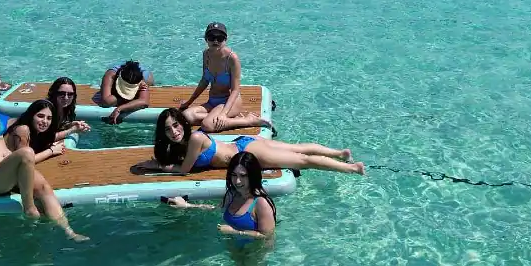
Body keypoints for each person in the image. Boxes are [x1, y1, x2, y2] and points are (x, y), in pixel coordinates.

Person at [0, 68, 88, 242]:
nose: (0, 93)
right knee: (26, 152)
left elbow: (28, 119)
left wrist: (69, 127)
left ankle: (69, 232)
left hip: (12, 169)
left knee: (44, 188)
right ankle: (29, 208)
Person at [134, 108, 365, 178]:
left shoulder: (194, 137)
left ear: (183, 124)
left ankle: (351, 167)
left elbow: (184, 171)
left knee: (302, 159)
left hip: (247, 151)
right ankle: (339, 153)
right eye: (168, 129)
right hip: (244, 144)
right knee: (299, 148)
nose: (174, 132)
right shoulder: (180, 143)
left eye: (176, 126)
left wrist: (158, 168)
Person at [179, 23, 272, 134]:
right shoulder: (206, 54)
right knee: (186, 116)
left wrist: (223, 113)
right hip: (212, 101)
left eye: (220, 38)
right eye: (212, 37)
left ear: (225, 39)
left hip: (229, 102)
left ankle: (248, 120)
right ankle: (216, 117)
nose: (216, 41)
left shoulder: (232, 59)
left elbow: (235, 90)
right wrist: (189, 102)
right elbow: (204, 80)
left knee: (207, 125)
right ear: (206, 39)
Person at [166, 151, 277, 240]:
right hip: (234, 249)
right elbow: (216, 209)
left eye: (243, 176)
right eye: (234, 175)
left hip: (254, 255)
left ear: (252, 176)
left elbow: (267, 236)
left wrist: (236, 232)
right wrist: (186, 206)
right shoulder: (232, 194)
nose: (237, 181)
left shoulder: (261, 203)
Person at [95, 60, 151, 125]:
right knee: (109, 101)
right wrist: (129, 100)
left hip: (142, 71)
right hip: (121, 72)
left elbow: (144, 102)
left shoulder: (142, 80)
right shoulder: (111, 74)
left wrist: (119, 109)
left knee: (150, 82)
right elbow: (106, 101)